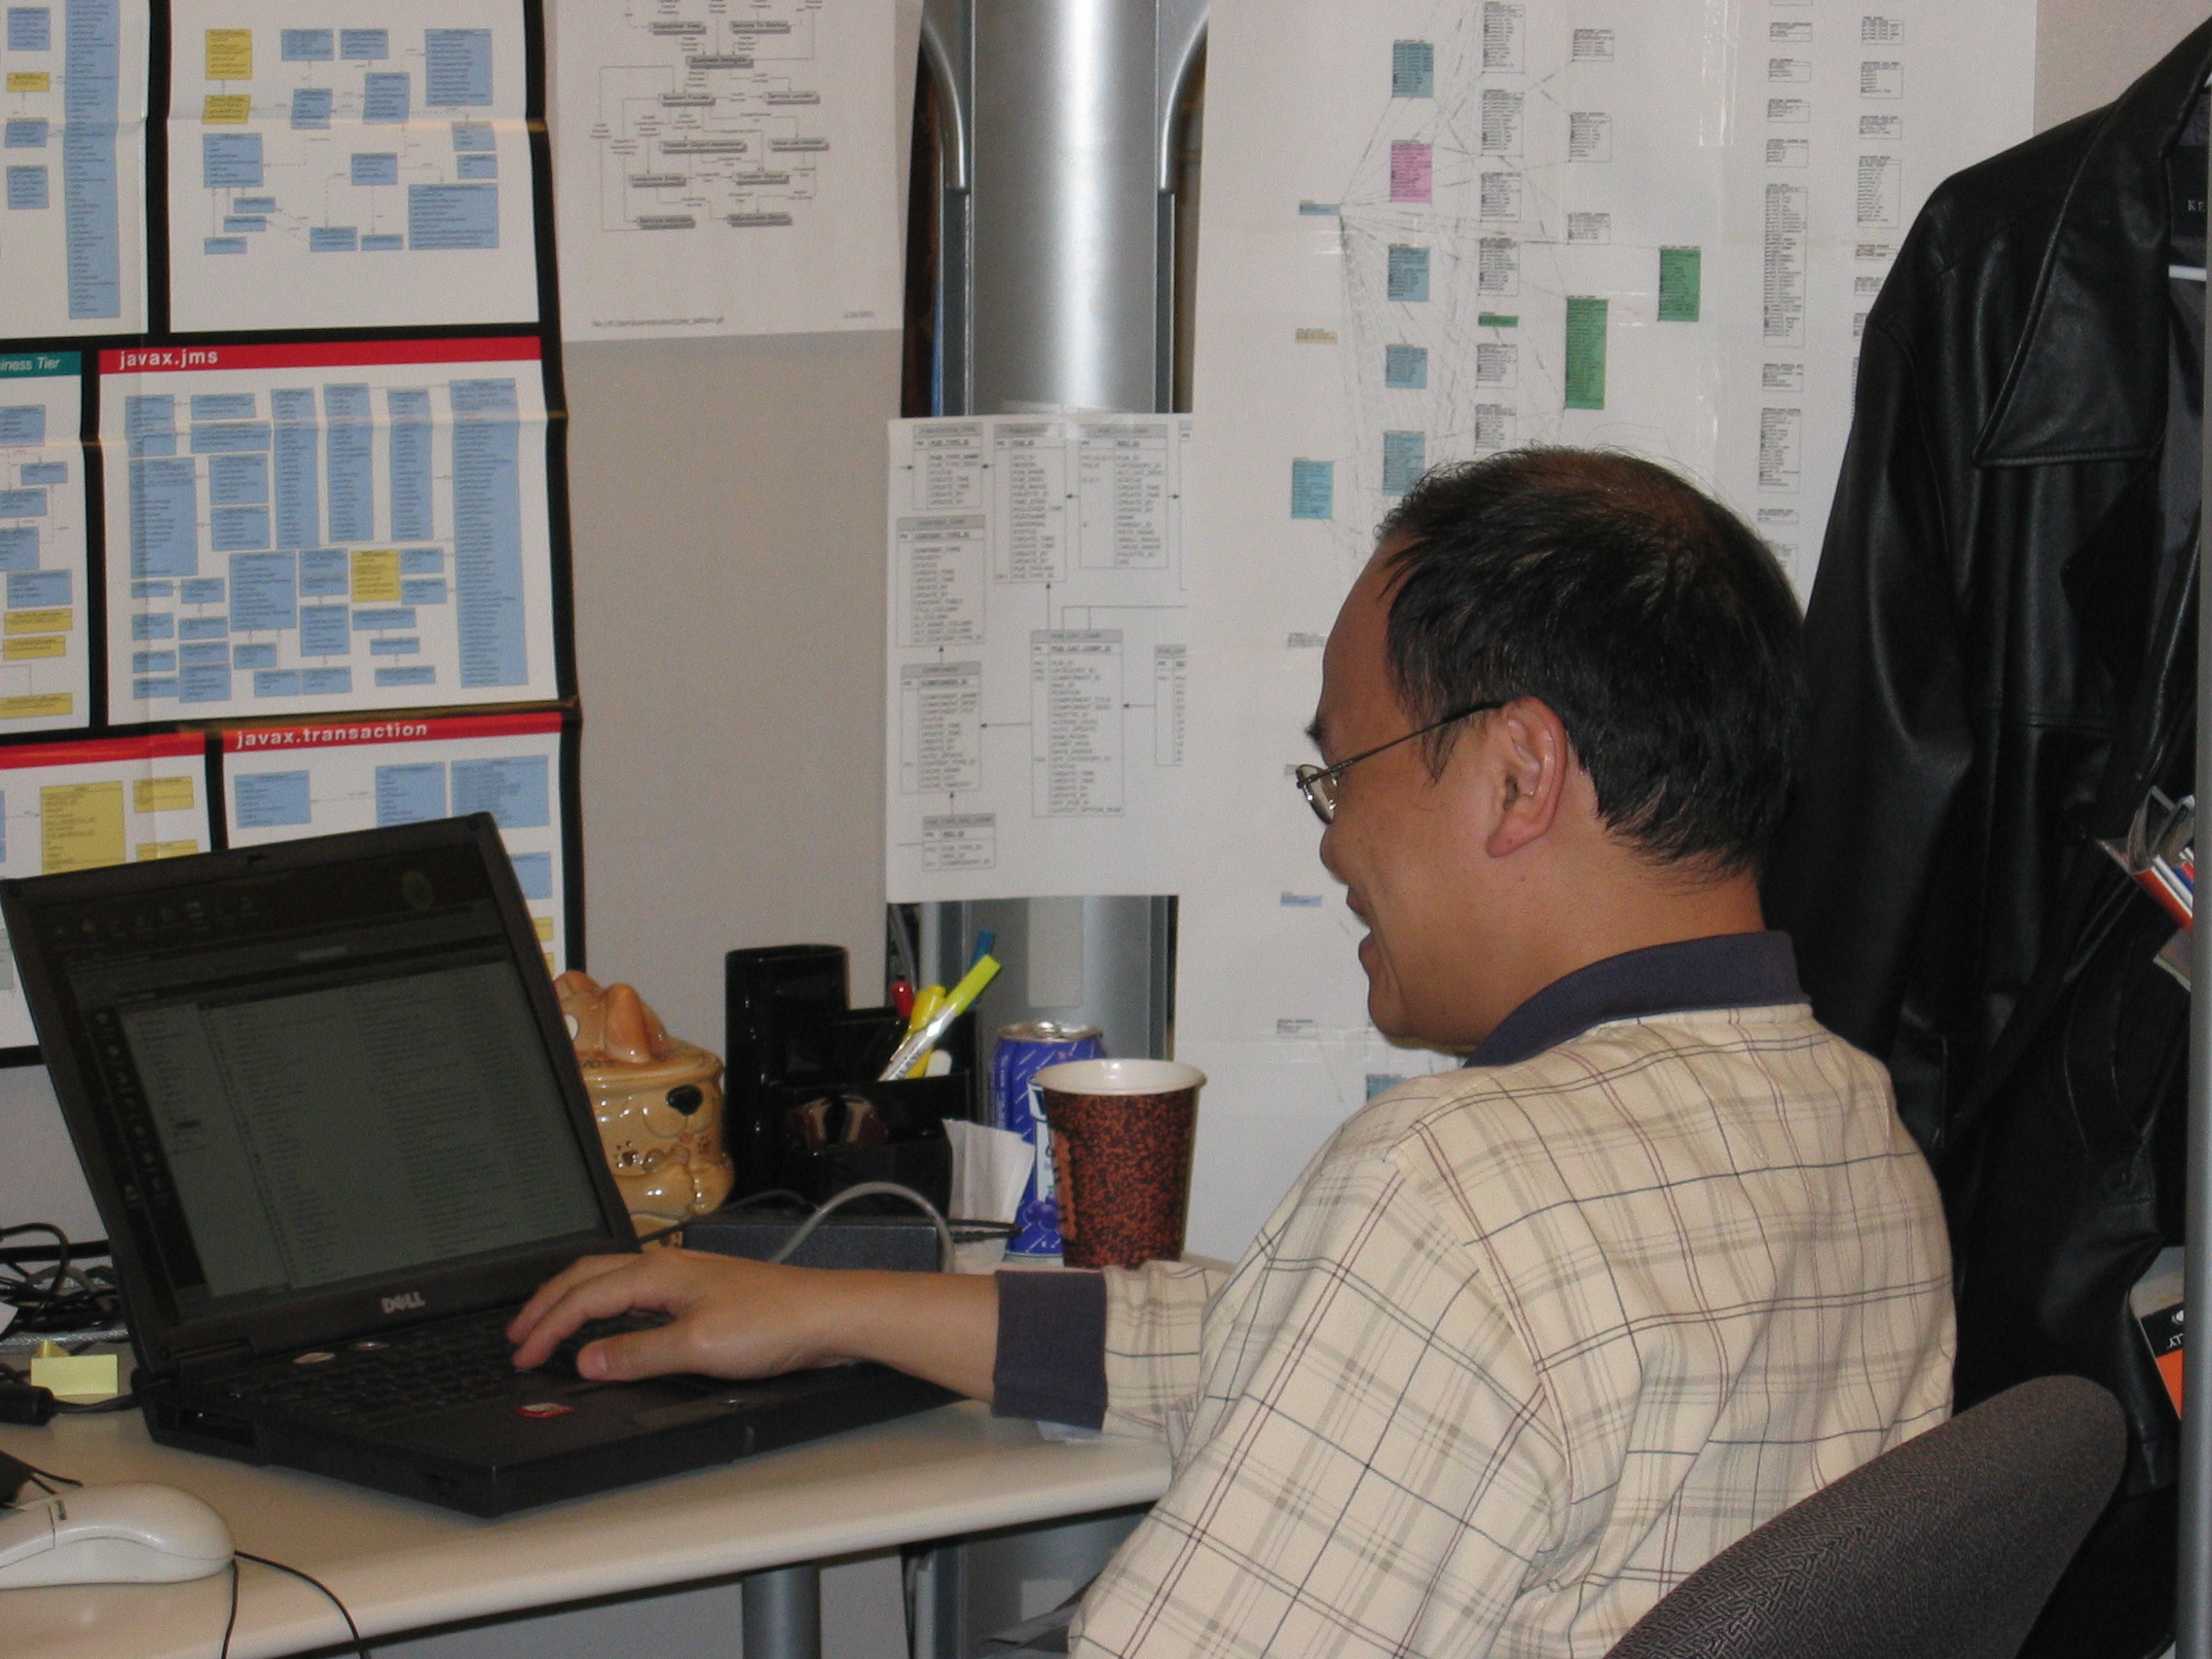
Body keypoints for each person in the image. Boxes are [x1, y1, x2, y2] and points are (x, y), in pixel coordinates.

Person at [510, 449, 1954, 1657]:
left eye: (1344, 774)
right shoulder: (1855, 1132)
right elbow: (1307, 1352)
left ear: (1519, 774)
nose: (1333, 843)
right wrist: (832, 1311)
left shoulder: (1457, 1192)